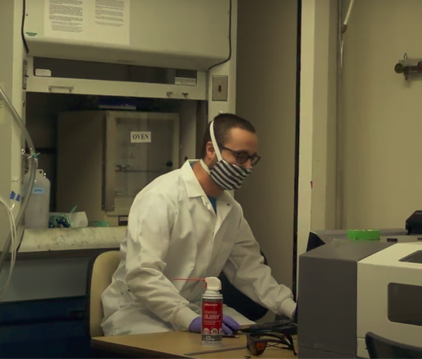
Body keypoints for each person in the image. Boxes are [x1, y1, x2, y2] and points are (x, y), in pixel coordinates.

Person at [100, 113, 297, 336]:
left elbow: (250, 270)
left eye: (253, 158)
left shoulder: (231, 209)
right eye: (241, 157)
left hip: (197, 308)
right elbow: (142, 275)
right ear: (211, 150)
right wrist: (190, 319)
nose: (248, 166)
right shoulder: (161, 196)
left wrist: (292, 308)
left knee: (258, 343)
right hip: (140, 312)